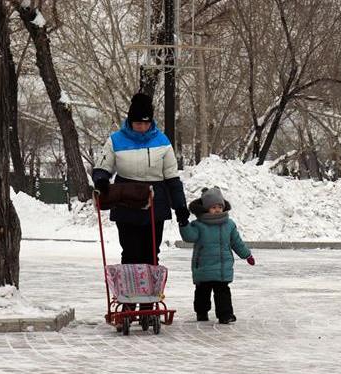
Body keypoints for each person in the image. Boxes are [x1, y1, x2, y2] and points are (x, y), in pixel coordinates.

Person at [92, 93, 190, 265]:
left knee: (151, 253)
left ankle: (150, 290)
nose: (143, 127)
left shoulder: (162, 141)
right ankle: (128, 290)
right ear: (130, 121)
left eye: (146, 123)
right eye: (138, 123)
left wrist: (180, 206)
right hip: (125, 201)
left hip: (155, 203)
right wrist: (101, 180)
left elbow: (172, 178)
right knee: (130, 252)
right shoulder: (115, 140)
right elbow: (102, 166)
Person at [179, 186, 255, 324]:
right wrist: (184, 223)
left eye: (220, 206)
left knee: (223, 292)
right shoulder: (199, 225)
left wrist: (247, 255)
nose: (217, 209)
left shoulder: (229, 225)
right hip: (204, 266)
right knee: (202, 292)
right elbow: (189, 236)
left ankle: (225, 315)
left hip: (222, 267)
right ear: (206, 208)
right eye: (213, 207)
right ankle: (201, 312)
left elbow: (236, 242)